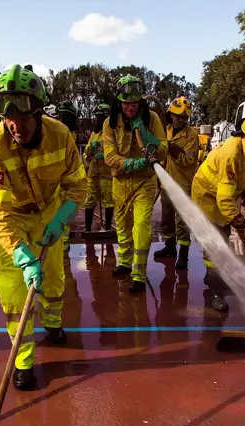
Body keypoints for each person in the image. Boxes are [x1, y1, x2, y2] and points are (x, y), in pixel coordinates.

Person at [0, 64, 87, 390]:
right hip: (10, 221)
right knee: (14, 296)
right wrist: (20, 253)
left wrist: (60, 218)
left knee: (54, 279)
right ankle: (24, 360)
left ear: (39, 111)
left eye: (24, 116)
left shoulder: (60, 135)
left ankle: (53, 323)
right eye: (8, 117)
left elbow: (77, 187)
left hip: (49, 214)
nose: (16, 125)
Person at [192, 110, 245, 312]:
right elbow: (224, 200)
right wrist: (241, 225)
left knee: (221, 239)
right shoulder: (231, 155)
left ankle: (214, 279)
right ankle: (213, 292)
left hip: (222, 194)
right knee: (216, 245)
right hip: (207, 197)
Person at [102, 74, 167, 293]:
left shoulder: (153, 119)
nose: (131, 106)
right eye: (126, 102)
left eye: (135, 102)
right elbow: (110, 156)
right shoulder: (109, 124)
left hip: (145, 182)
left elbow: (164, 150)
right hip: (120, 181)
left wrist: (146, 135)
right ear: (119, 101)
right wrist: (132, 163)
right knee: (122, 227)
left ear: (141, 101)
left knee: (140, 227)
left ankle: (138, 274)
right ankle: (125, 263)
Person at [152, 96, 200, 270]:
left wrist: (173, 149)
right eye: (178, 116)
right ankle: (170, 248)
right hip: (166, 183)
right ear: (171, 115)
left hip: (182, 185)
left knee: (182, 222)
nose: (181, 119)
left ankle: (183, 256)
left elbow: (188, 161)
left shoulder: (192, 135)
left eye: (184, 117)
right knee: (167, 221)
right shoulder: (166, 130)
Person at [83, 103, 114, 232]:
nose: (96, 119)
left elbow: (116, 152)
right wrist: (90, 149)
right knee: (89, 201)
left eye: (99, 117)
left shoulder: (111, 133)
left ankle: (107, 228)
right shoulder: (94, 135)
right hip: (93, 174)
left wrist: (105, 155)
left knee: (108, 202)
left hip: (106, 174)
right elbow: (86, 153)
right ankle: (88, 228)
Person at [55, 101, 81, 254]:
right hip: (56, 181)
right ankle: (61, 244)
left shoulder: (67, 134)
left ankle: (63, 245)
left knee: (62, 215)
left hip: (64, 181)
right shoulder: (62, 132)